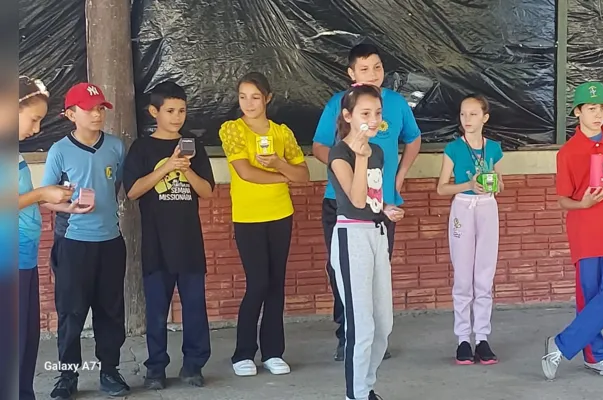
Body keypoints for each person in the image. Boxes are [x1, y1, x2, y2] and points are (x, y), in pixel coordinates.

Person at [312, 43, 422, 361]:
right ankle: (347, 334)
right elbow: (320, 146)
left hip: (382, 205)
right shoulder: (339, 104)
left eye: (377, 67)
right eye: (364, 69)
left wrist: (399, 177)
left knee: (376, 270)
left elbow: (414, 138)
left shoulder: (397, 103)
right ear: (351, 74)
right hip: (341, 204)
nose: (372, 74)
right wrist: (341, 168)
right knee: (342, 271)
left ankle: (372, 335)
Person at [541, 81, 603, 380]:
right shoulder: (568, 152)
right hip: (584, 232)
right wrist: (582, 203)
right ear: (578, 112)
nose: (598, 115)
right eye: (592, 108)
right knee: (588, 296)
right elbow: (562, 200)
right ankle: (595, 356)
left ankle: (560, 344)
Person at [123, 82, 215, 388]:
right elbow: (133, 191)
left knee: (194, 308)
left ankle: (193, 365)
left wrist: (186, 169)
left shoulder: (193, 146)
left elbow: (207, 191)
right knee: (157, 310)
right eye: (171, 111)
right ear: (154, 111)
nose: (177, 117)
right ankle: (155, 369)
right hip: (156, 244)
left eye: (182, 110)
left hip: (189, 242)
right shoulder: (142, 148)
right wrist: (166, 168)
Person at [41, 82, 130, 398]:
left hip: (110, 242)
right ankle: (67, 376)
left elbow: (116, 186)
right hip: (73, 243)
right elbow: (45, 198)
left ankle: (109, 371)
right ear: (70, 114)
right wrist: (68, 206)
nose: (97, 114)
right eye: (89, 109)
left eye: (100, 108)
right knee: (71, 312)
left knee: (110, 311)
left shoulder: (116, 147)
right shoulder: (59, 151)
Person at [219, 72, 309, 377]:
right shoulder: (232, 130)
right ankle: (243, 353)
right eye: (243, 97)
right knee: (257, 282)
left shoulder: (282, 133)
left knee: (276, 284)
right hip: (248, 216)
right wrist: (285, 177)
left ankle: (273, 352)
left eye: (255, 97)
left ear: (268, 98)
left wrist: (280, 165)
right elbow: (245, 172)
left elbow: (303, 174)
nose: (248, 103)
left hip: (280, 213)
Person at [328, 83, 404, 400]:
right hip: (351, 237)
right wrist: (360, 156)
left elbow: (371, 199)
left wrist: (386, 209)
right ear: (348, 115)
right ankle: (356, 393)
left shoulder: (380, 152)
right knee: (361, 326)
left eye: (377, 114)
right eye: (364, 113)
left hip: (376, 233)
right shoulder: (340, 153)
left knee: (383, 324)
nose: (372, 120)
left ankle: (366, 386)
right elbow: (355, 198)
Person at [17, 76, 74, 400]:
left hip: (24, 258)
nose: (37, 129)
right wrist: (41, 192)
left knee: (26, 340)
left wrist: (62, 204)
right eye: (33, 119)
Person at [436, 94, 504, 365]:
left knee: (485, 275)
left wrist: (492, 183)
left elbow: (502, 184)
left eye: (474, 114)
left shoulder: (495, 148)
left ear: (485, 117)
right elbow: (442, 188)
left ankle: (483, 338)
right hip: (463, 207)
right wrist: (468, 185)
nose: (468, 119)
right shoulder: (453, 149)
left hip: (487, 206)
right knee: (463, 275)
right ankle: (463, 338)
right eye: (464, 114)